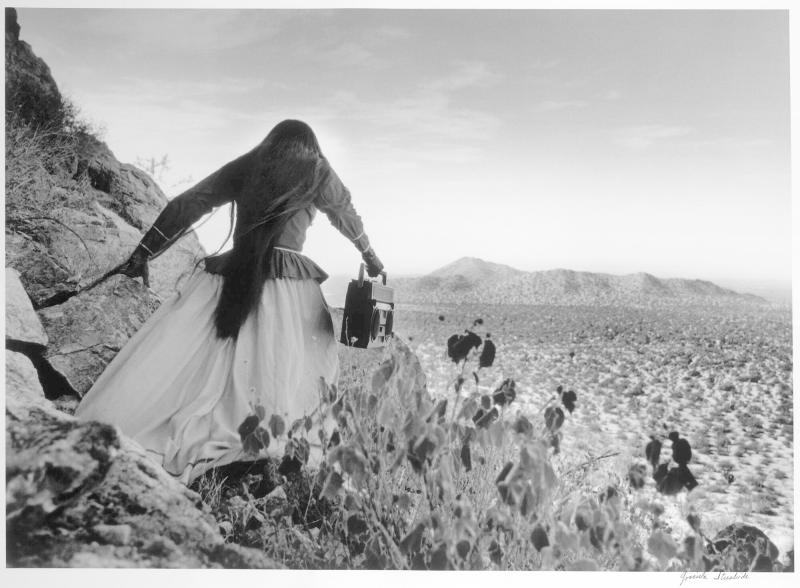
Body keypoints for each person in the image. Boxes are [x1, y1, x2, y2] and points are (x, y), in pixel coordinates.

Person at [75, 119, 383, 484]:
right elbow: (345, 212)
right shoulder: (317, 169)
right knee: (299, 362)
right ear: (310, 147)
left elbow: (190, 203)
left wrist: (144, 252)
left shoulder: (249, 164)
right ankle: (271, 442)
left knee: (200, 359)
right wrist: (370, 256)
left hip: (232, 274)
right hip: (289, 285)